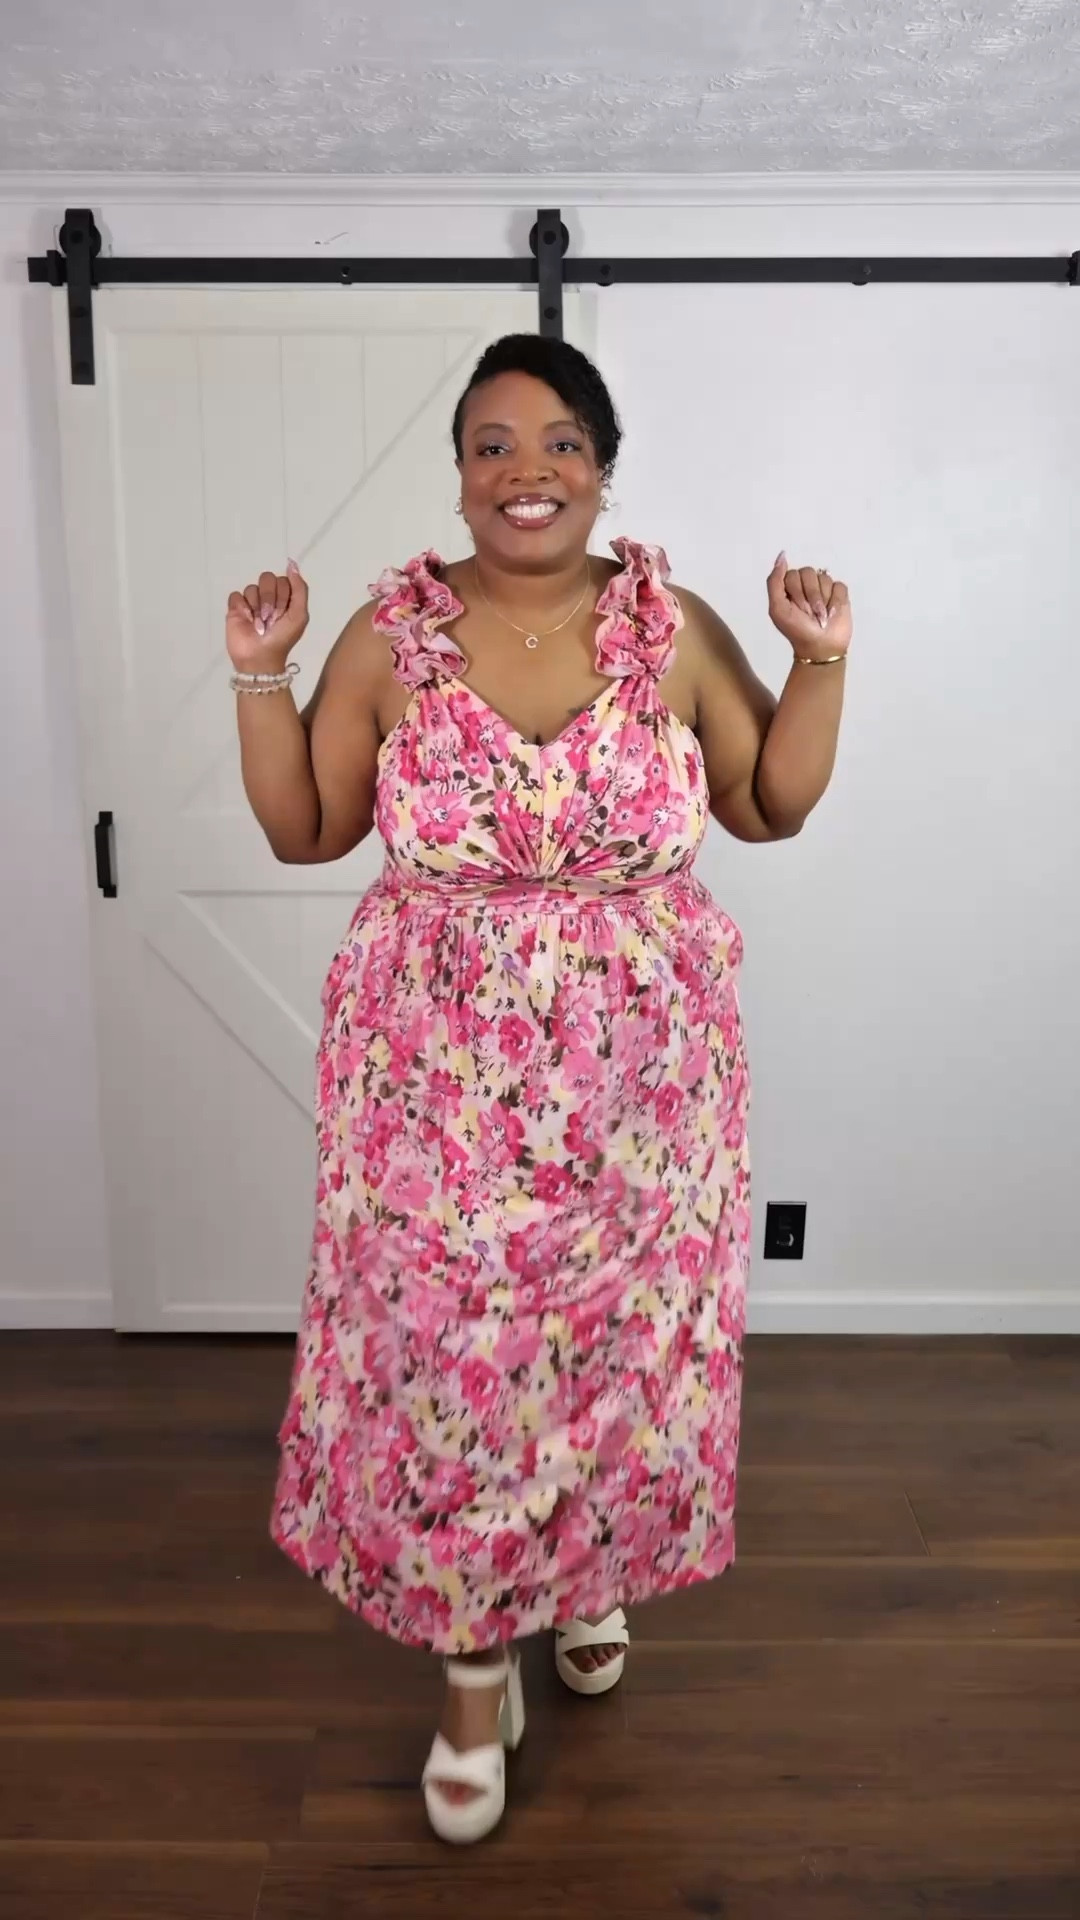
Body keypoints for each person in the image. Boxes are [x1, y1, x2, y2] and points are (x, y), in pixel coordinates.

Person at [226, 332, 851, 1846]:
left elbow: (768, 803)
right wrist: (260, 672)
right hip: (434, 1092)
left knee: (614, 1357)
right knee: (459, 1370)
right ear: (458, 472)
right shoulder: (390, 639)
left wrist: (820, 657)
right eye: (494, 445)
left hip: (649, 1093)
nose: (527, 472)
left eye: (562, 442)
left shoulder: (671, 628)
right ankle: (469, 1673)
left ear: (602, 470)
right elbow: (306, 830)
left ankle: (587, 1579)